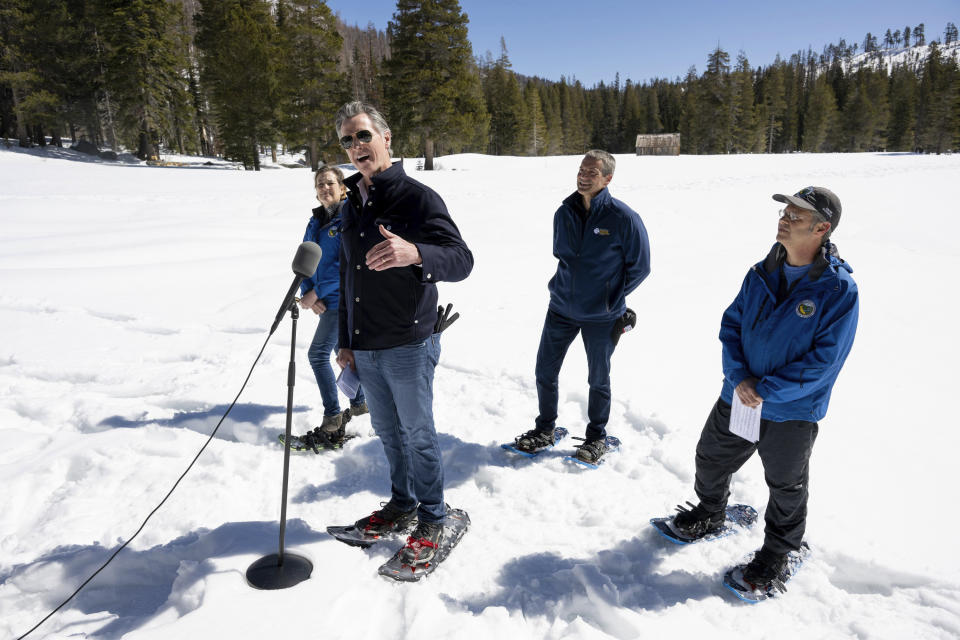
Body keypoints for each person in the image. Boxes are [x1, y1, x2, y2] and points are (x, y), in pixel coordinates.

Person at [669, 186, 858, 593]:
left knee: (786, 486)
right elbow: (731, 326)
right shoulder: (760, 273)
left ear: (821, 228)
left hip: (791, 410)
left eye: (796, 215)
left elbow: (825, 361)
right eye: (785, 212)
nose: (784, 219)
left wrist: (766, 390)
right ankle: (710, 512)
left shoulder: (838, 289)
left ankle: (779, 552)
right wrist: (739, 377)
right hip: (738, 396)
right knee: (711, 458)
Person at [334, 101, 473, 564]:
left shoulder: (417, 198)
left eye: (363, 136)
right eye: (347, 140)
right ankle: (402, 503)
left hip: (408, 343)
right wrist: (345, 340)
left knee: (417, 434)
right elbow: (348, 274)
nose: (356, 147)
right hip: (367, 345)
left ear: (386, 139)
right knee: (387, 431)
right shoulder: (352, 201)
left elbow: (461, 259)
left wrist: (416, 253)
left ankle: (434, 515)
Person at [511, 150, 650, 464]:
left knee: (598, 378)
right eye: (581, 170)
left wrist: (612, 298)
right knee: (545, 371)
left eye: (592, 172)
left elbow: (641, 267)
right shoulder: (564, 212)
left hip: (602, 316)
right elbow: (562, 256)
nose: (584, 176)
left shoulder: (623, 218)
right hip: (561, 307)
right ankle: (545, 429)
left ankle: (596, 437)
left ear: (607, 178)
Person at [293, 167, 367, 451]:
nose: (325, 188)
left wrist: (317, 292)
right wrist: (307, 294)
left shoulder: (348, 216)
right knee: (342, 354)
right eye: (320, 184)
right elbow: (306, 259)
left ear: (343, 188)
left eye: (330, 183)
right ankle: (360, 406)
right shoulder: (316, 220)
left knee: (317, 354)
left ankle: (333, 417)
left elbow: (345, 265)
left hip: (344, 300)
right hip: (325, 299)